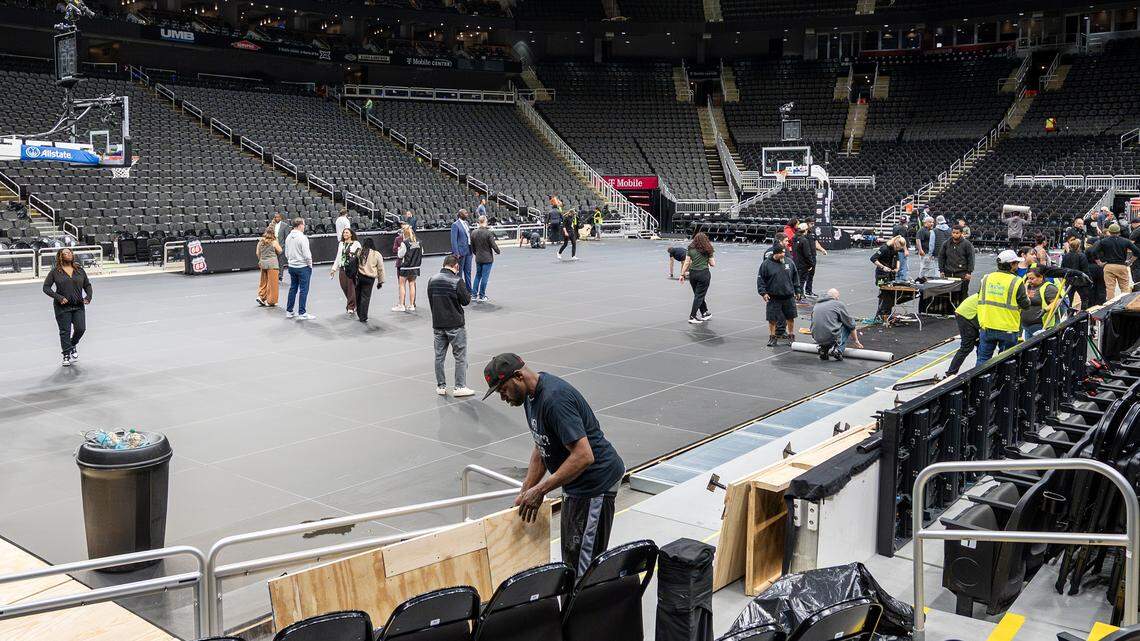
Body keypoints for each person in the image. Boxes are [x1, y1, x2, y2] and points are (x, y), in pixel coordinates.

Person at [481, 353, 625, 576]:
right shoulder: (530, 397)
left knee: (583, 565)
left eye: (503, 390)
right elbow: (542, 445)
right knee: (572, 553)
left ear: (518, 376)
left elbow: (584, 455)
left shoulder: (554, 399)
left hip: (596, 484)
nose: (503, 398)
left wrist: (541, 490)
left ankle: (583, 598)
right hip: (576, 483)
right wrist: (526, 490)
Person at [428, 254, 474, 397]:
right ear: (456, 266)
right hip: (455, 324)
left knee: (439, 357)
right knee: (460, 356)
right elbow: (466, 301)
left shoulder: (432, 280)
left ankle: (441, 386)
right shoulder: (457, 280)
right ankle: (460, 387)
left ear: (444, 264)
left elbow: (431, 300)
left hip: (438, 324)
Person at [976, 250, 1030, 365]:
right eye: (1016, 263)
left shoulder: (986, 278)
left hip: (987, 325)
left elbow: (980, 295)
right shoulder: (1016, 281)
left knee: (982, 360)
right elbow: (1025, 305)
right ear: (1011, 265)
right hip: (1007, 328)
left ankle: (981, 378)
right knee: (1006, 362)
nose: (1018, 265)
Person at [42, 248, 92, 367]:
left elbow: (87, 285)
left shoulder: (79, 270)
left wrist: (88, 297)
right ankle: (66, 355)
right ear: (60, 256)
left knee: (81, 329)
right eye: (66, 253)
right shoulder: (55, 272)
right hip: (62, 307)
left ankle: (72, 345)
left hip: (78, 305)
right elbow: (46, 287)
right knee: (65, 331)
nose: (69, 254)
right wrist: (58, 297)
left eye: (70, 253)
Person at [757, 244, 799, 346]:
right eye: (781, 253)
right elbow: (761, 279)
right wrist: (763, 293)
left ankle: (791, 336)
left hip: (788, 296)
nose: (783, 255)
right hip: (773, 297)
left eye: (783, 252)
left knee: (790, 317)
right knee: (772, 319)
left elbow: (795, 277)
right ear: (775, 253)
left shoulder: (789, 262)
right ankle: (772, 337)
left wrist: (798, 291)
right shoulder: (766, 264)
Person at [1089, 223, 1140, 300]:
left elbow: (1093, 252)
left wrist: (1099, 262)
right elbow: (1137, 252)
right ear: (1119, 232)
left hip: (1109, 266)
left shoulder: (1103, 241)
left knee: (1110, 288)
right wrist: (1130, 261)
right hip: (1122, 266)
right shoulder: (1125, 241)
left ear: (1109, 232)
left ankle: (1110, 304)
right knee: (1124, 288)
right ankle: (1125, 304)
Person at [811, 289, 862, 361]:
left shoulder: (817, 304)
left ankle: (823, 349)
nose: (838, 298)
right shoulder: (838, 304)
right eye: (838, 297)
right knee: (847, 324)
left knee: (826, 326)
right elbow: (851, 325)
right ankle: (838, 350)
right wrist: (856, 341)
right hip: (830, 336)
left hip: (816, 337)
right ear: (835, 297)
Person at [679, 232, 715, 324]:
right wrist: (707, 259)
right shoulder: (708, 249)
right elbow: (712, 264)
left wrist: (682, 275)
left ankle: (704, 312)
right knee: (699, 296)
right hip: (703, 274)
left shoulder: (690, 249)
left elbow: (687, 262)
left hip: (693, 274)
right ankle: (692, 316)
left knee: (698, 294)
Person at [284, 217, 315, 320]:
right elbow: (307, 255)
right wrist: (310, 265)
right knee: (303, 290)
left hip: (292, 266)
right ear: (300, 225)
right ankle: (302, 312)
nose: (304, 227)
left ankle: (289, 311)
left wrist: (291, 261)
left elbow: (286, 253)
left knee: (293, 288)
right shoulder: (302, 237)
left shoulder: (288, 237)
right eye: (304, 224)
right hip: (303, 267)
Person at [938, 224, 975, 306]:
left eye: (957, 233)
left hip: (962, 274)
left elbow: (971, 258)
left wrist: (969, 272)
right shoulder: (946, 243)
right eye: (953, 232)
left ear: (961, 233)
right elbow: (941, 257)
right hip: (948, 272)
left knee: (963, 294)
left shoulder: (967, 244)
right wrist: (941, 270)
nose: (955, 234)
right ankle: (949, 310)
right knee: (948, 294)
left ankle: (963, 311)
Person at [945, 293, 980, 376]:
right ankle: (951, 373)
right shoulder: (987, 298)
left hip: (968, 314)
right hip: (966, 316)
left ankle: (980, 368)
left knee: (981, 344)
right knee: (967, 347)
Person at [871, 236, 904, 322]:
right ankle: (879, 315)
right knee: (883, 295)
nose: (898, 250)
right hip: (881, 275)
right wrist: (883, 267)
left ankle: (887, 315)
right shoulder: (884, 248)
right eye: (898, 248)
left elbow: (897, 258)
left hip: (890, 274)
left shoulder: (895, 249)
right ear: (895, 244)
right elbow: (873, 258)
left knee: (890, 295)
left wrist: (897, 268)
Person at [1022, 267, 1060, 338]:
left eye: (1032, 278)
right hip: (1026, 326)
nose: (1029, 281)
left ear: (1041, 277)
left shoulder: (1049, 288)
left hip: (1041, 326)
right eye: (1028, 278)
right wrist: (1025, 287)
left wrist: (1045, 310)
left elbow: (1056, 302)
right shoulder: (1028, 287)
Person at [330, 227, 360, 317]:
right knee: (344, 287)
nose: (345, 234)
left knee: (351, 287)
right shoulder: (341, 244)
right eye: (344, 233)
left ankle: (351, 307)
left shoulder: (356, 243)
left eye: (347, 233)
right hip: (342, 268)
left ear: (351, 234)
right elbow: (338, 257)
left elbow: (360, 255)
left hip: (351, 268)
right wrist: (333, 269)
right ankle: (355, 302)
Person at [470, 215, 501, 302]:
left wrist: (476, 253)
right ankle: (482, 295)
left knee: (478, 276)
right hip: (487, 259)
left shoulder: (473, 232)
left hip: (478, 257)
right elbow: (493, 245)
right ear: (485, 222)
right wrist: (498, 251)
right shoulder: (488, 233)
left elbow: (472, 247)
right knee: (485, 277)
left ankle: (474, 295)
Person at [354, 238, 385, 323]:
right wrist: (380, 281)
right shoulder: (376, 254)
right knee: (366, 297)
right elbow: (380, 269)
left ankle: (359, 313)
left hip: (359, 277)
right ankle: (363, 316)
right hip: (370, 279)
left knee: (358, 295)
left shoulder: (359, 252)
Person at [395, 225, 423, 312]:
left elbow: (400, 255)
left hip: (406, 267)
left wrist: (400, 249)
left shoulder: (405, 243)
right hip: (416, 266)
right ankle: (411, 305)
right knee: (412, 284)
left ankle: (401, 305)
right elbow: (422, 252)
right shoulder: (419, 242)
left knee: (402, 285)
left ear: (404, 233)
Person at [1061, 238, 1091, 309]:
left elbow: (1062, 269)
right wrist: (1089, 280)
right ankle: (1083, 313)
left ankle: (1069, 313)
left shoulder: (1065, 256)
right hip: (1081, 281)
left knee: (1070, 300)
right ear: (1079, 246)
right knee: (1084, 299)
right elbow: (1085, 270)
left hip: (1069, 281)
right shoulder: (1082, 256)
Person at [255, 226, 282, 307]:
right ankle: (271, 301)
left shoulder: (260, 242)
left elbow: (257, 253)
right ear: (273, 233)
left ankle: (261, 297)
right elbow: (280, 250)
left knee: (263, 282)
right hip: (272, 264)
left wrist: (261, 259)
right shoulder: (274, 242)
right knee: (273, 283)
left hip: (263, 263)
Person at [450, 208, 474, 291]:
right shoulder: (455, 225)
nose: (467, 214)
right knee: (459, 273)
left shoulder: (467, 223)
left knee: (468, 271)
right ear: (460, 215)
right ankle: (459, 290)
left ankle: (469, 290)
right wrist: (456, 253)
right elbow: (453, 240)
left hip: (469, 251)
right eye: (465, 213)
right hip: (460, 252)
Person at [891, 215, 911, 281]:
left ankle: (897, 279)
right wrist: (905, 250)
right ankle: (902, 280)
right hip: (901, 250)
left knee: (897, 264)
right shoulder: (903, 228)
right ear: (906, 221)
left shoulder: (895, 227)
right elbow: (902, 240)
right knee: (903, 266)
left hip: (896, 248)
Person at [273, 213, 289, 282]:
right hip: (273, 246)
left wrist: (285, 247)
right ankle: (274, 275)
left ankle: (280, 276)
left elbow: (287, 237)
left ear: (280, 218)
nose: (276, 218)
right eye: (275, 217)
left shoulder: (285, 225)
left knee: (280, 262)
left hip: (281, 246)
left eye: (278, 217)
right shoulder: (272, 225)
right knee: (274, 262)